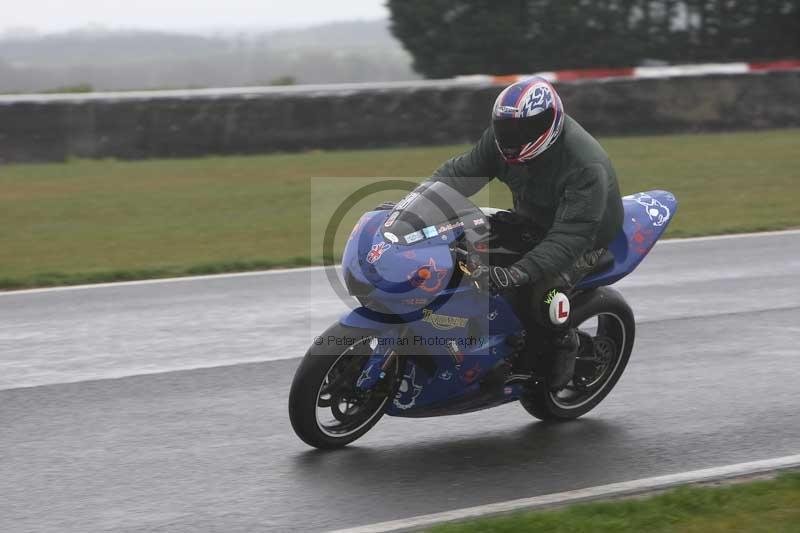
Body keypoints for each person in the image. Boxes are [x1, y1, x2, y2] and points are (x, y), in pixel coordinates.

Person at [426, 77, 624, 390]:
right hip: (531, 221)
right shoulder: (500, 142)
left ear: (549, 124)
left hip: (584, 238)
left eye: (522, 130)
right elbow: (459, 174)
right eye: (505, 128)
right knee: (458, 242)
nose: (510, 138)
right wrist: (412, 206)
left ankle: (561, 350)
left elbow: (569, 238)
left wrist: (516, 273)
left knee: (539, 292)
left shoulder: (584, 165)